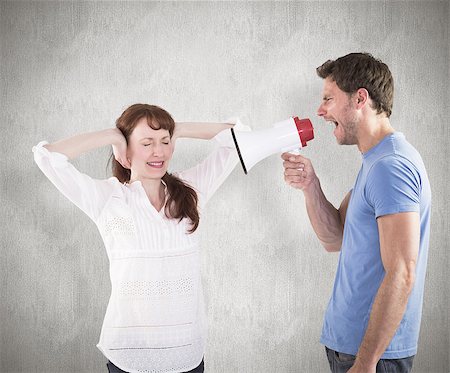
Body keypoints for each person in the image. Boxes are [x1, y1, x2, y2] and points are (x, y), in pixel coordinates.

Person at [33, 104, 246, 373]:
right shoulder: (107, 198)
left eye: (165, 142)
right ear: (125, 152)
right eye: (147, 143)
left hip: (186, 354)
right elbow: (47, 157)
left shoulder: (192, 189)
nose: (159, 152)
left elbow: (240, 138)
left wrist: (178, 129)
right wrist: (112, 136)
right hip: (128, 356)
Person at [282, 53, 431, 373]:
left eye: (328, 99)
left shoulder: (391, 167)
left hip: (372, 358)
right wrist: (310, 185)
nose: (320, 111)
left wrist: (365, 363)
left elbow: (403, 271)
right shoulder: (375, 162)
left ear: (360, 98)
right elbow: (335, 238)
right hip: (351, 349)